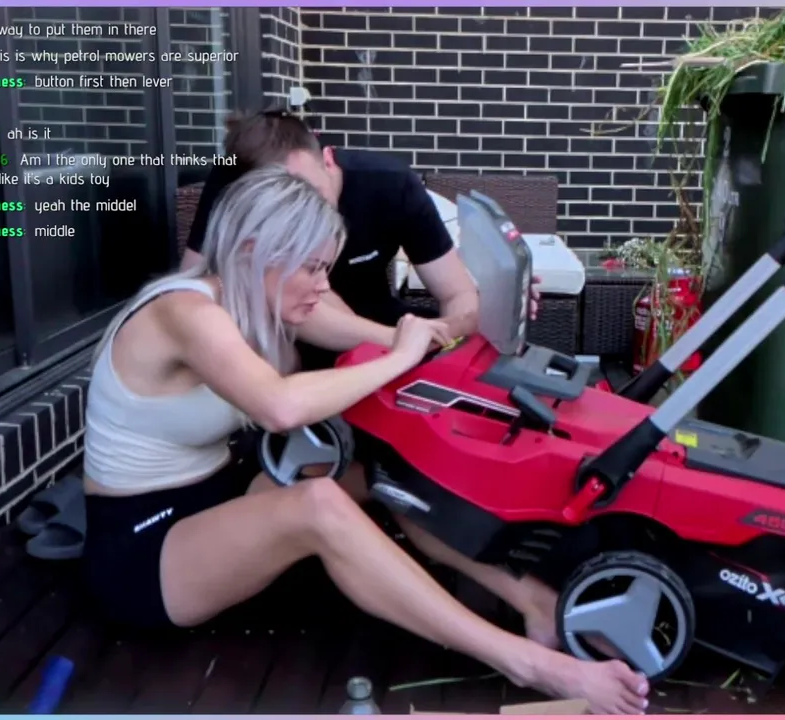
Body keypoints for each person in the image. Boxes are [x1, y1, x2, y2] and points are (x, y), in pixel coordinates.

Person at [82, 166, 648, 714]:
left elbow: (371, 335)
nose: (323, 286)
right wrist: (400, 355)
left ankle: (536, 604)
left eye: (326, 267)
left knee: (384, 469)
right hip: (142, 549)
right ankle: (529, 665)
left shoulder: (250, 300)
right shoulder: (185, 312)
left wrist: (461, 323)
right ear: (254, 252)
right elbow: (280, 406)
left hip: (213, 498)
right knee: (318, 504)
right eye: (312, 268)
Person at [181, 110, 486, 367]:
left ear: (328, 159)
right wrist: (404, 344)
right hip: (287, 338)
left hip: (376, 319)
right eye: (288, 201)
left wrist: (450, 355)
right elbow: (198, 285)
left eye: (311, 192)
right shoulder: (232, 183)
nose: (307, 209)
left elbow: (457, 293)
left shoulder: (390, 183)